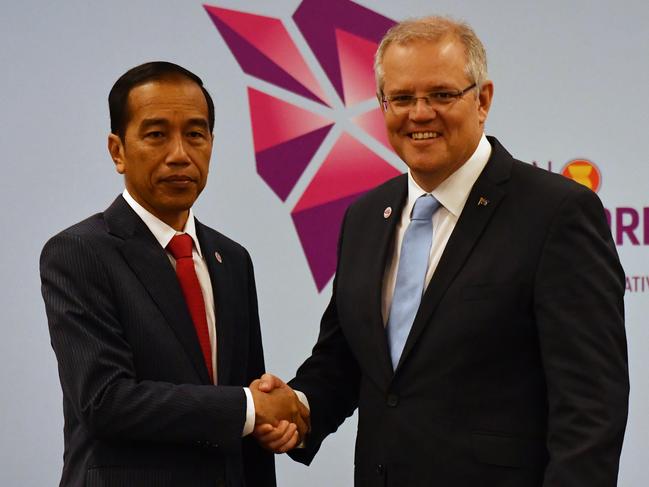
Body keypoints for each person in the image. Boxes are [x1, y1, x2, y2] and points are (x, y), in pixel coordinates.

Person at [254, 16, 629, 487]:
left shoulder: (557, 213)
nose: (420, 113)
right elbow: (347, 359)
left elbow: (591, 410)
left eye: (441, 95)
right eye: (402, 98)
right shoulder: (365, 217)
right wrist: (299, 408)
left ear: (483, 100)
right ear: (382, 105)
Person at [40, 61, 307, 487]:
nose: (180, 154)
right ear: (117, 150)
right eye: (156, 134)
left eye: (195, 135)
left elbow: (248, 401)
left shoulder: (232, 259)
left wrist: (269, 421)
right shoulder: (79, 252)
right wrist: (249, 408)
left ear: (211, 145)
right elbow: (104, 400)